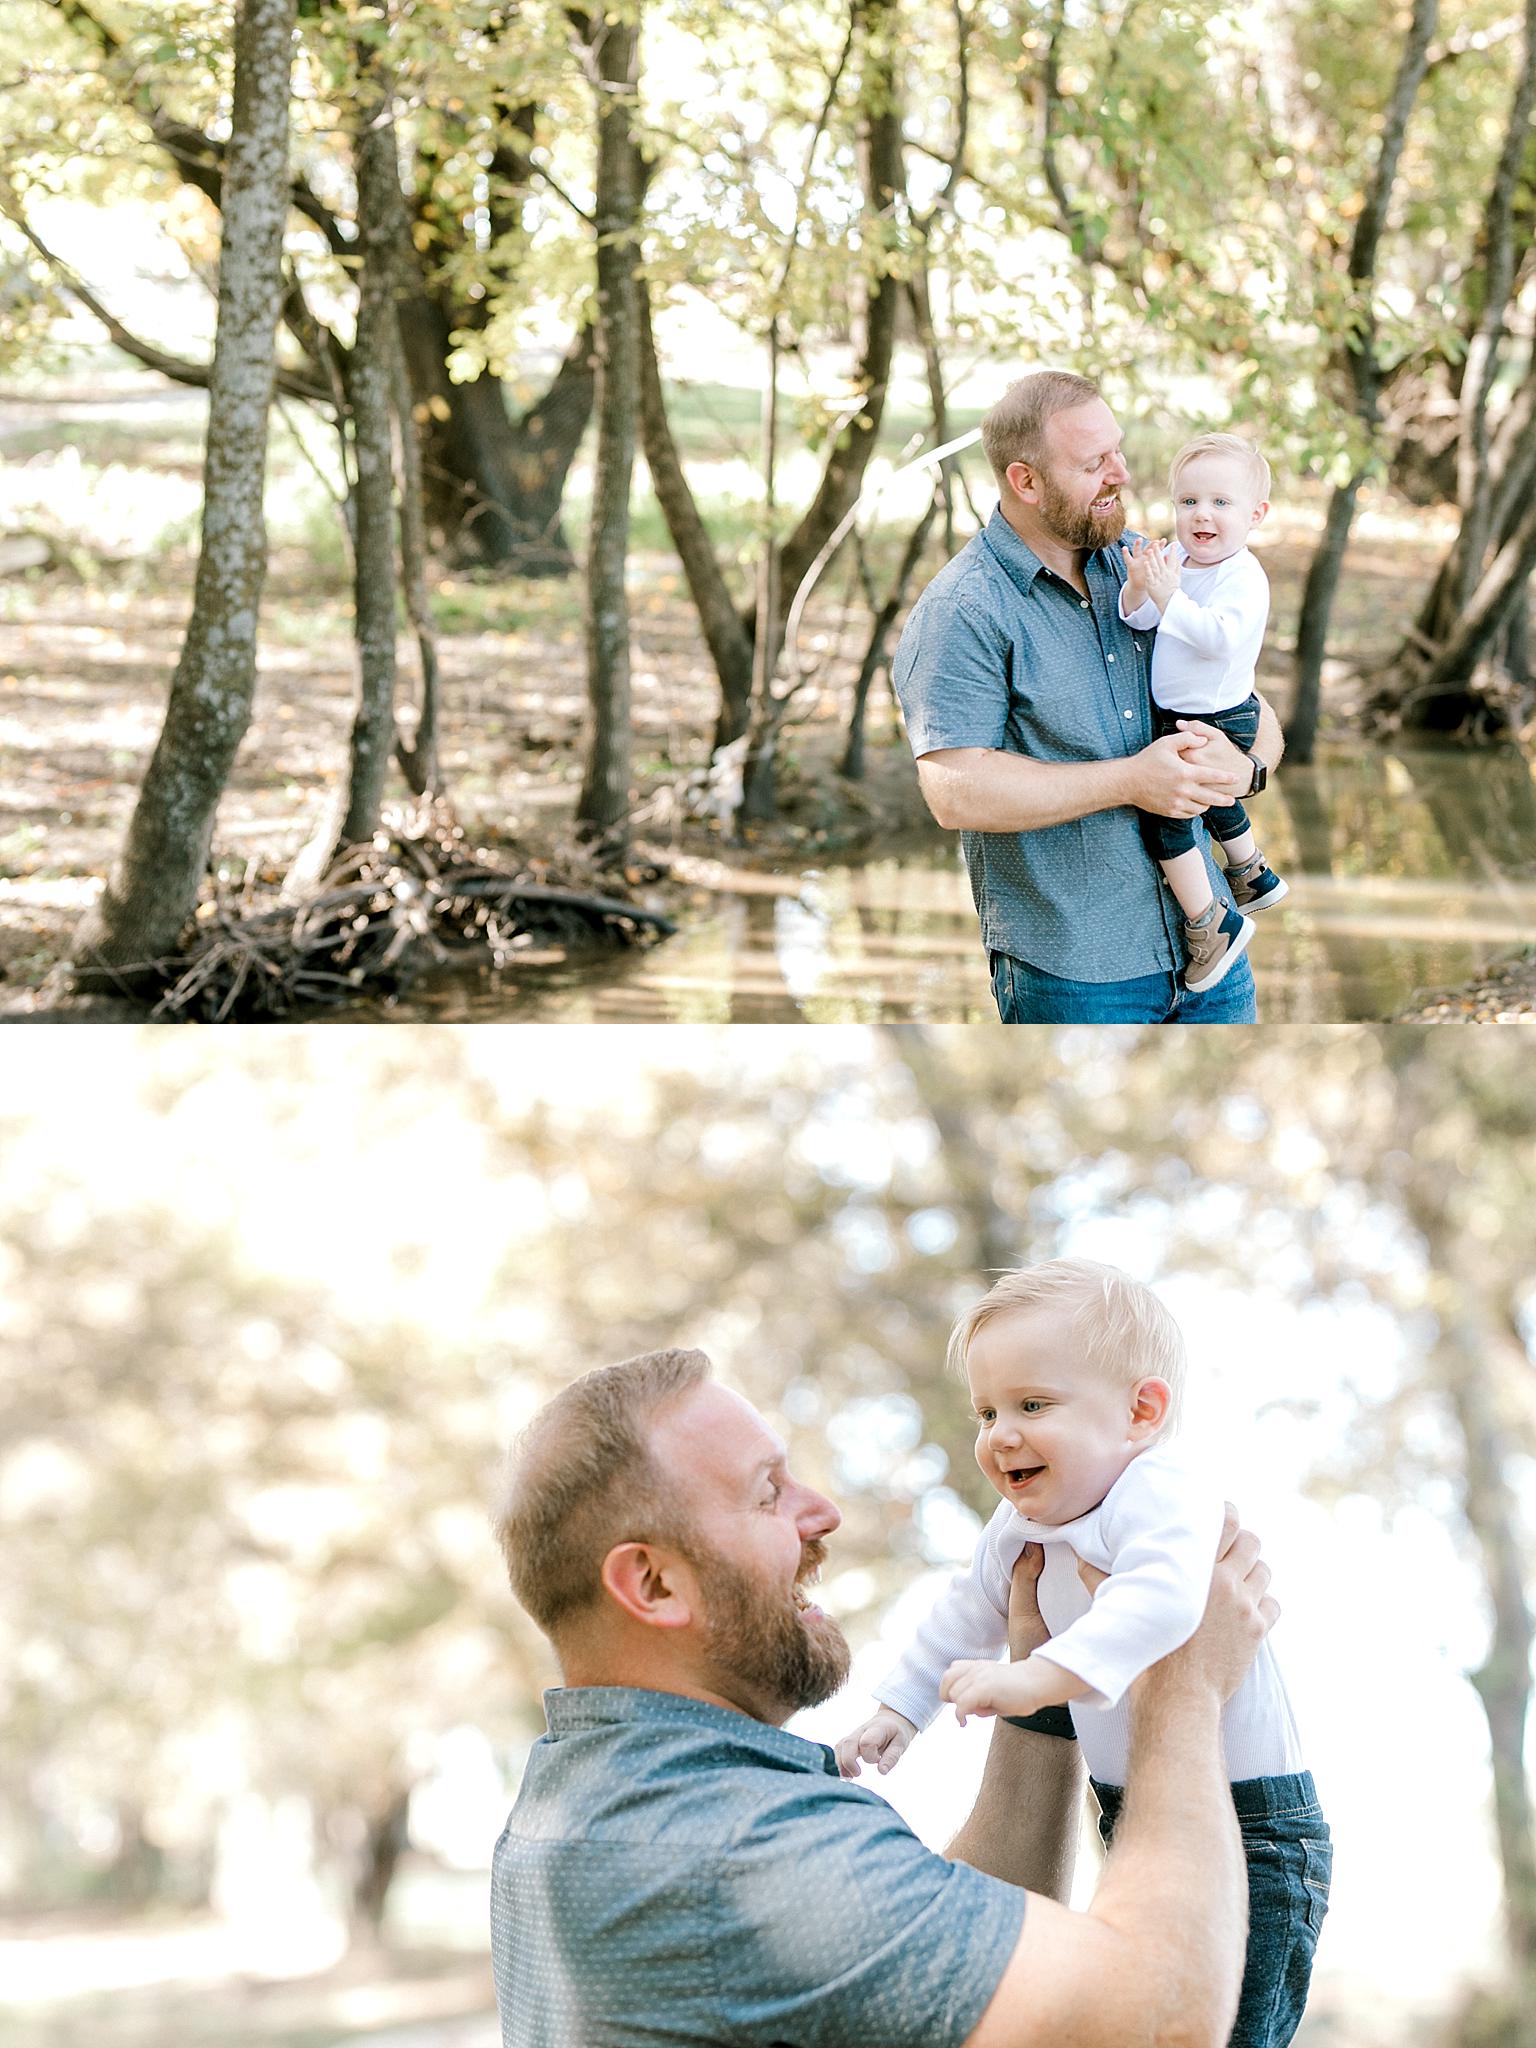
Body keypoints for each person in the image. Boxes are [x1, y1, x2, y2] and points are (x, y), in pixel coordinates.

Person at [490, 1344, 1282, 2048]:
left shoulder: (587, 1795)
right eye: (769, 1493)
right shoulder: (735, 1853)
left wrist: (1038, 1679)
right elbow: (1162, 2022)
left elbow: (943, 1960)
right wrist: (1183, 1684)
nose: (822, 1513)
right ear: (655, 1583)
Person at [837, 1260, 1331, 2048]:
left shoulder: (1157, 1491)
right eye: (986, 1411)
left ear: (1140, 1411)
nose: (1000, 1434)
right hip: (1137, 1811)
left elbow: (1166, 1604)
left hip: (1254, 1831)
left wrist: (1040, 1676)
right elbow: (967, 1610)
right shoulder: (1020, 1524)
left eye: (1033, 1404)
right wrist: (901, 1709)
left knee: (1214, 2025)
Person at [890, 368, 1285, 1024]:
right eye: (1094, 462)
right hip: (1077, 976)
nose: (1121, 474)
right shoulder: (964, 611)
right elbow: (954, 791)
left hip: (1217, 967)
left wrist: (1248, 769)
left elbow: (1250, 703)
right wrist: (1133, 781)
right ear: (1025, 481)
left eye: (1119, 450)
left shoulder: (1148, 562)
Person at [1119, 434, 1290, 995]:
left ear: (1255, 514)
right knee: (1214, 799)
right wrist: (1141, 588)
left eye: (1221, 502)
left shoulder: (1243, 576)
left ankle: (1210, 923)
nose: (1202, 515)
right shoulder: (1178, 563)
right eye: (1189, 501)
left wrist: (1171, 597)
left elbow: (1219, 640)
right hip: (1186, 712)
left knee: (1166, 816)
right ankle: (1251, 871)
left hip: (1221, 715)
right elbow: (1141, 622)